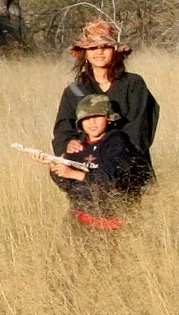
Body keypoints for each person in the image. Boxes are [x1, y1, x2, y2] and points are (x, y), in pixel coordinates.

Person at [51, 20, 159, 178]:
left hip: (129, 168)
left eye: (106, 47)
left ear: (115, 51)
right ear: (85, 53)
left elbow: (140, 127)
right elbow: (64, 127)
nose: (99, 52)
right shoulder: (74, 90)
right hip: (86, 168)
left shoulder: (133, 84)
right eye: (93, 47)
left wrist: (116, 155)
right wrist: (68, 143)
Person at [46, 93, 151, 228]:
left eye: (97, 116)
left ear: (108, 118)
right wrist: (55, 169)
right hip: (78, 221)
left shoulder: (118, 144)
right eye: (86, 118)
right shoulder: (77, 145)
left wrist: (74, 173)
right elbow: (66, 186)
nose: (92, 122)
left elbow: (110, 182)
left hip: (111, 226)